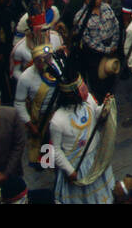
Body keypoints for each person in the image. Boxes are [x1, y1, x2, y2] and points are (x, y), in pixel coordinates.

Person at [48, 75, 117, 204]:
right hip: (76, 167)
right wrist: (69, 171)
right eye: (83, 89)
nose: (87, 91)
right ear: (72, 94)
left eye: (85, 87)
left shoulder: (89, 100)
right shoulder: (57, 120)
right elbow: (56, 150)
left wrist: (104, 107)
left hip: (95, 159)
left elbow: (97, 116)